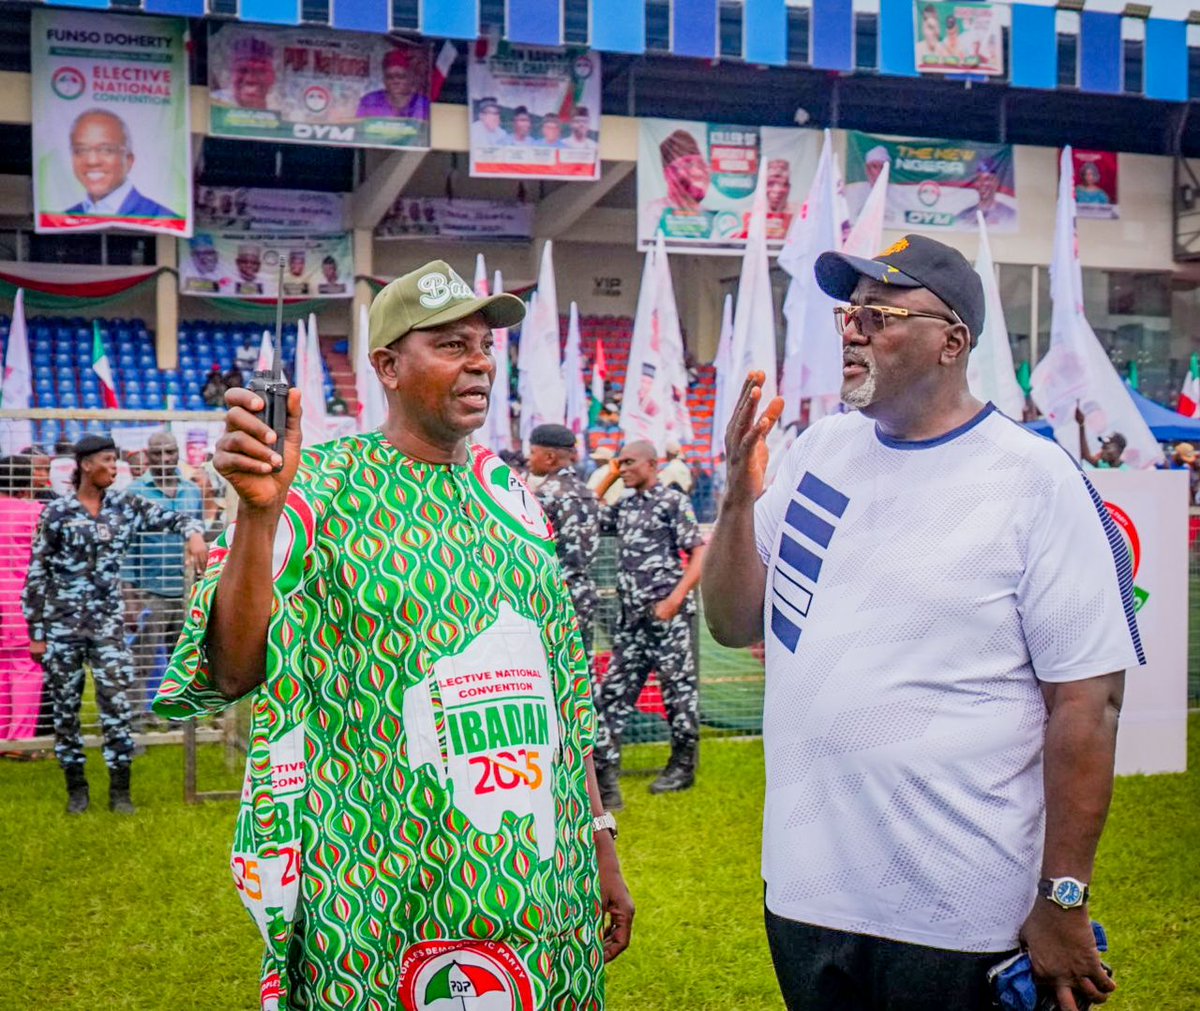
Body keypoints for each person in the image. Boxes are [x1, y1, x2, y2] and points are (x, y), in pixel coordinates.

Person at [153, 259, 633, 1008]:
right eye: (449, 344)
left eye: (483, 343)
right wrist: (256, 515)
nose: (478, 360)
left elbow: (564, 690)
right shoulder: (316, 488)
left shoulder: (513, 497)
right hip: (383, 891)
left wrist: (600, 840)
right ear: (388, 366)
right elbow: (232, 669)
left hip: (539, 887)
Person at [702, 233, 1141, 1011]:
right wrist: (736, 496)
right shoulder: (817, 453)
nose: (853, 329)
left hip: (958, 910)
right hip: (806, 894)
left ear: (952, 342)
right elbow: (735, 619)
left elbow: (1088, 703)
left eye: (879, 314)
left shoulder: (1034, 481)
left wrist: (1064, 895)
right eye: (849, 313)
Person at [24, 434, 207, 814]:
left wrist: (193, 534)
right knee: (65, 710)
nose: (115, 467)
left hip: (108, 626)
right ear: (86, 465)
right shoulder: (56, 513)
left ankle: (120, 792)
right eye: (108, 460)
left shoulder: (125, 505)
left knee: (117, 706)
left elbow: (175, 517)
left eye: (116, 460)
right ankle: (77, 790)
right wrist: (37, 633)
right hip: (62, 628)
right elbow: (37, 573)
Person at [591, 441, 706, 806]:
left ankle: (682, 767)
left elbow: (699, 551)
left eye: (629, 463)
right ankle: (605, 776)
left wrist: (675, 600)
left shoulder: (672, 501)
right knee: (611, 695)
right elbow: (590, 508)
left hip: (667, 616)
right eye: (618, 463)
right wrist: (610, 473)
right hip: (632, 621)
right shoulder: (624, 505)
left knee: (678, 694)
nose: (622, 468)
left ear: (652, 464)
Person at [120, 433, 204, 718]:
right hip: (148, 592)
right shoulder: (134, 492)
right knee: (140, 662)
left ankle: (177, 719)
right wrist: (130, 600)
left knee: (182, 661)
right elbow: (125, 549)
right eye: (158, 453)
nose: (165, 458)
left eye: (170, 452)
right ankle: (135, 724)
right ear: (148, 455)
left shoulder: (192, 491)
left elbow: (199, 538)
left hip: (185, 591)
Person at [528, 424, 601, 658]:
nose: (529, 459)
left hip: (552, 597)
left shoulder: (542, 494)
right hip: (583, 593)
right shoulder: (588, 493)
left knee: (553, 668)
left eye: (532, 453)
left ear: (549, 457)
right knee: (583, 668)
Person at [0, 455, 44, 740]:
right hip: (20, 602)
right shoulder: (35, 513)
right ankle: (21, 739)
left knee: (2, 669)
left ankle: (3, 736)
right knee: (26, 667)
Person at [65, 110, 177, 219]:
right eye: (81, 150)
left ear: (129, 160)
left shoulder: (160, 217)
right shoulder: (64, 218)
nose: (92, 161)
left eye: (106, 150)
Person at [639, 129, 711, 238]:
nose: (698, 171)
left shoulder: (710, 217)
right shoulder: (655, 212)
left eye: (701, 164)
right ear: (669, 173)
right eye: (688, 165)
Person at [355, 46, 430, 120]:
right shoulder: (369, 101)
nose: (395, 81)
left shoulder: (423, 104)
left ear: (411, 78)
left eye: (401, 76)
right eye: (390, 77)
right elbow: (359, 128)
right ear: (384, 80)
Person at [214, 35, 276, 110]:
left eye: (260, 71)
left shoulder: (285, 107)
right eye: (242, 70)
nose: (250, 79)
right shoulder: (215, 102)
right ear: (231, 74)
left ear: (273, 77)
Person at [956, 158, 1016, 228]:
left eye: (987, 179)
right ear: (975, 184)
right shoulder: (963, 216)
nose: (983, 184)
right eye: (979, 179)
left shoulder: (1010, 215)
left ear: (996, 182)